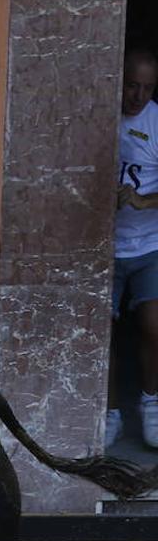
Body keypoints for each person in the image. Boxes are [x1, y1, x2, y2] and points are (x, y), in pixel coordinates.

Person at [107, 48, 158, 447]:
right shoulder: (98, 111)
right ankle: (107, 411)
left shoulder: (156, 121)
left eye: (146, 88)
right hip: (101, 248)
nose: (137, 96)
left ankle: (151, 405)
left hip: (148, 246)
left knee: (153, 329)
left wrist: (143, 201)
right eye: (131, 85)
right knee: (97, 334)